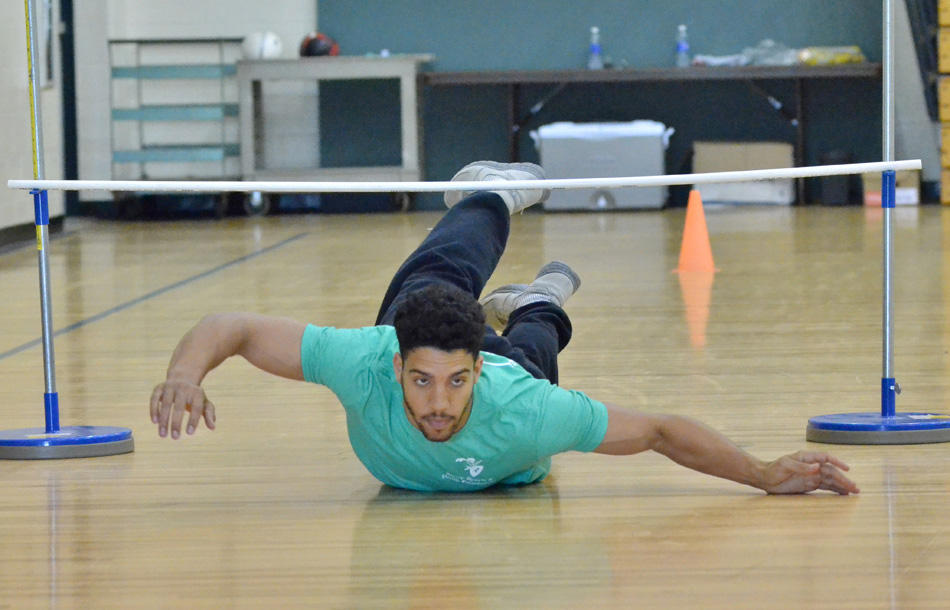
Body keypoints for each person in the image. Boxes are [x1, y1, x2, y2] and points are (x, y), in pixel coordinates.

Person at [150, 161, 859, 496]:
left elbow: (659, 430)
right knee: (435, 277)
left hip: (515, 390)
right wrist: (186, 373)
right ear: (394, 367)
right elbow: (231, 325)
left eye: (455, 382)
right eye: (421, 380)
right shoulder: (363, 357)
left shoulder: (522, 406)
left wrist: (764, 473)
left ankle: (536, 299)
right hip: (427, 321)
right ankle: (495, 191)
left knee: (537, 348)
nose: (436, 402)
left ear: (476, 374)